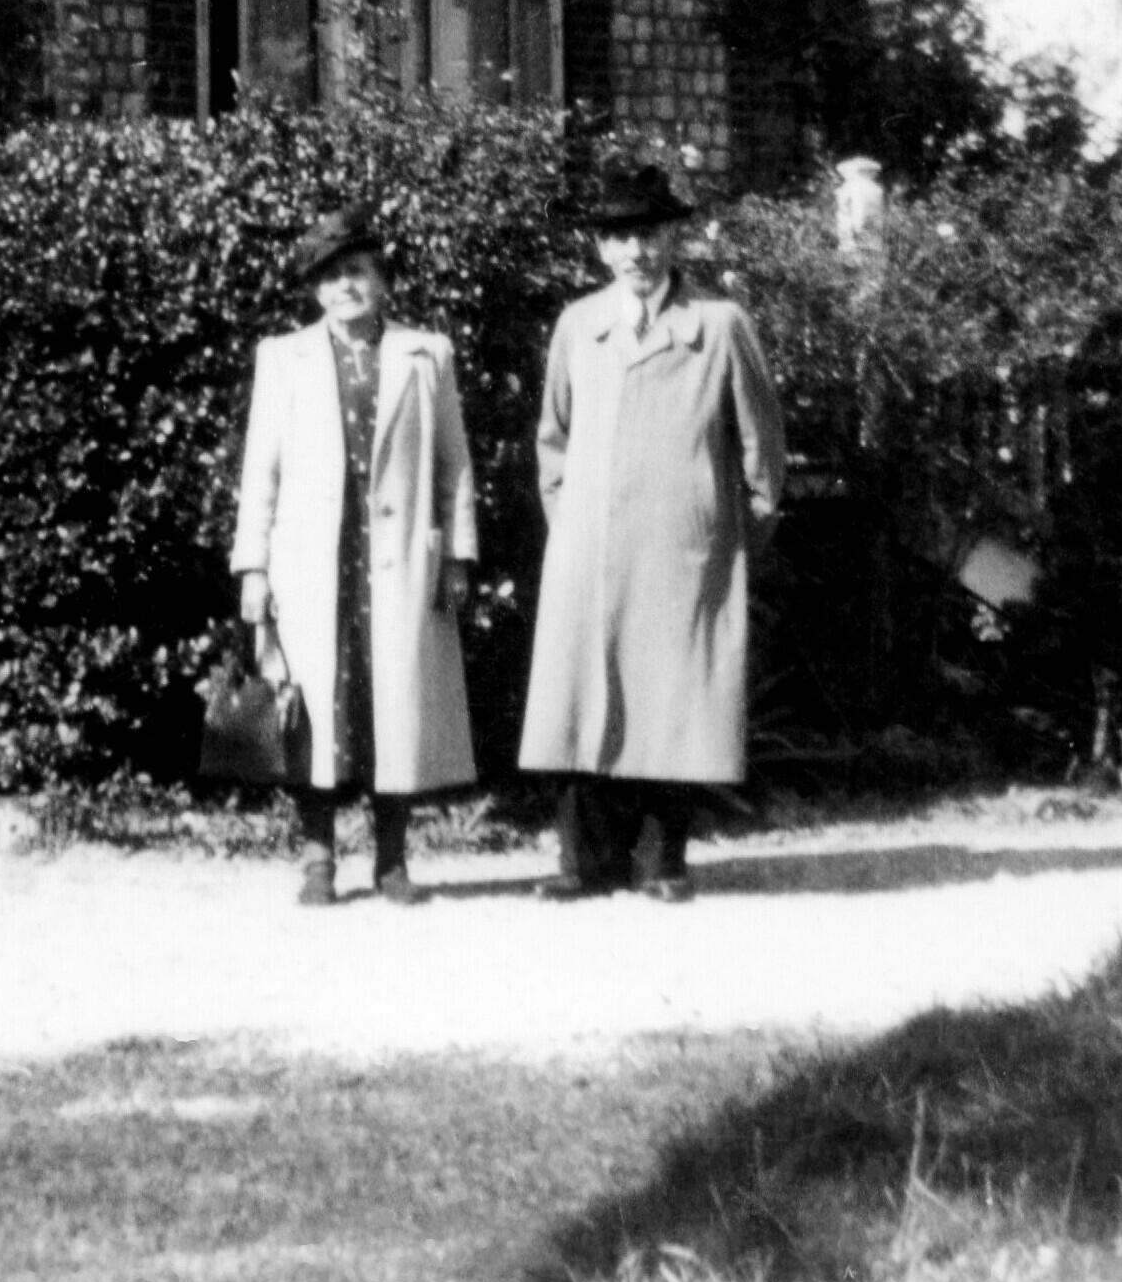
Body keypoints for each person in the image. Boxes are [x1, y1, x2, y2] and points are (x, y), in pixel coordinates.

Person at [519, 160, 787, 898]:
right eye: (619, 237)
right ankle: (586, 862)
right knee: (584, 698)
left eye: (649, 234)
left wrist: (725, 533)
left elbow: (762, 450)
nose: (635, 250)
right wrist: (573, 530)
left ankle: (662, 860)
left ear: (673, 237)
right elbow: (552, 441)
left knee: (675, 700)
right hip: (591, 552)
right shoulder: (579, 325)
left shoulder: (719, 325)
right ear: (600, 247)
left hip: (683, 551)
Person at [232, 210, 479, 905]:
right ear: (315, 289)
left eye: (357, 272)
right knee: (314, 707)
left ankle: (392, 861)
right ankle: (318, 858)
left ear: (382, 280)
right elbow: (261, 469)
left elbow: (454, 462)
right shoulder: (283, 357)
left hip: (396, 562)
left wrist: (458, 554)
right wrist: (253, 568)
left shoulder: (425, 354)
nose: (345, 286)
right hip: (313, 564)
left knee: (391, 709)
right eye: (331, 276)